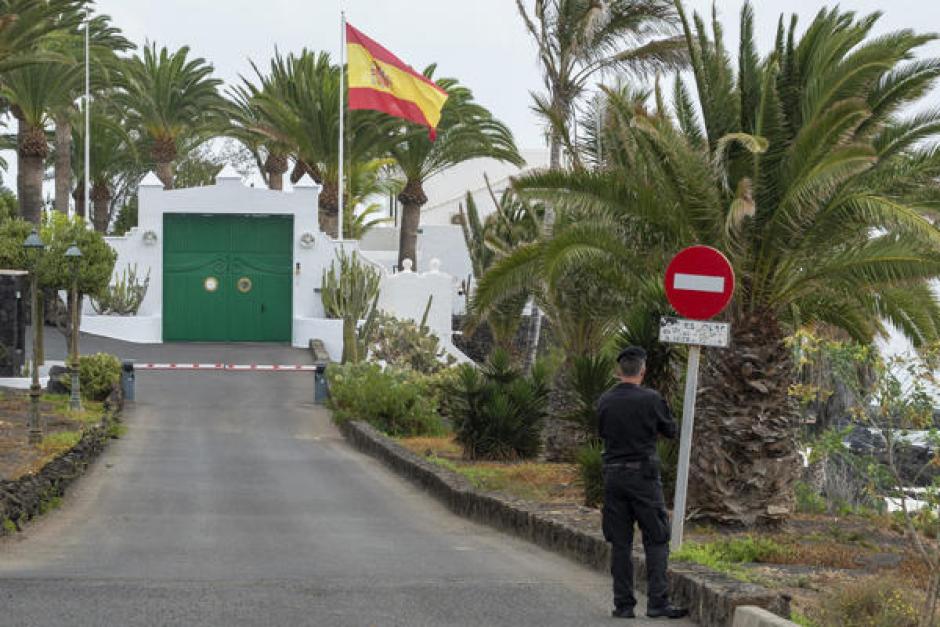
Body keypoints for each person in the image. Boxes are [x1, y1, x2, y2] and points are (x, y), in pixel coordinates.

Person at [597, 345, 688, 619]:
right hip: (644, 478)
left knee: (621, 543)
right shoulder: (651, 399)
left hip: (613, 476)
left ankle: (623, 605)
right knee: (657, 537)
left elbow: (601, 431)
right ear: (643, 370)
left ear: (618, 371)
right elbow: (670, 430)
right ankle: (657, 602)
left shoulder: (605, 400)